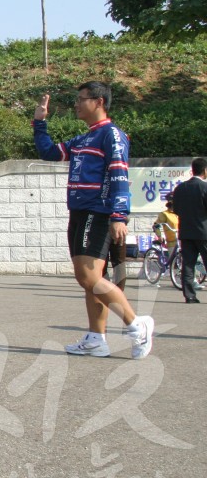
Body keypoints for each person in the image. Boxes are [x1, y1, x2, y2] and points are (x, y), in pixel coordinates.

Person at [33, 82, 154, 359]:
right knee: (91, 279)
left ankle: (137, 325)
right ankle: (96, 339)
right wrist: (40, 122)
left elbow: (119, 174)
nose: (76, 104)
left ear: (98, 102)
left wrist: (119, 215)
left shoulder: (111, 135)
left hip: (96, 212)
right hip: (78, 212)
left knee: (88, 276)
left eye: (81, 99)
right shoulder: (84, 139)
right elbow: (50, 153)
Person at [169, 157, 207, 303]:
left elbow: (176, 209)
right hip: (203, 232)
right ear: (204, 170)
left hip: (185, 231)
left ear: (192, 170)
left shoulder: (180, 188)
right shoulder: (204, 188)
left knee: (188, 264)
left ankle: (190, 296)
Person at [152, 197, 179, 265]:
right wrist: (159, 236)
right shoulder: (164, 214)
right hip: (172, 242)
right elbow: (156, 226)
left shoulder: (180, 213)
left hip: (183, 241)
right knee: (174, 264)